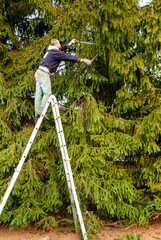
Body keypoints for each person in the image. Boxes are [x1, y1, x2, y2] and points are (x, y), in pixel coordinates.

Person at [34, 39, 92, 120]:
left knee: (38, 94)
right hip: (44, 73)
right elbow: (67, 57)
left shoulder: (51, 50)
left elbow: (60, 49)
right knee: (47, 93)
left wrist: (70, 44)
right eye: (59, 43)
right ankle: (41, 111)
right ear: (55, 44)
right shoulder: (55, 52)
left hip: (39, 72)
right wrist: (82, 60)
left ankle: (37, 112)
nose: (60, 44)